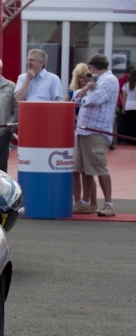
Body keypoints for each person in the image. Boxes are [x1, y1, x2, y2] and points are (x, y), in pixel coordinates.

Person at [72, 54, 119, 216]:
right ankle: (85, 203)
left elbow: (93, 100)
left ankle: (108, 204)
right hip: (85, 130)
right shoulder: (99, 81)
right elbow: (75, 97)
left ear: (93, 67)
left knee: (99, 167)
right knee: (85, 168)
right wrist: (84, 92)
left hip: (97, 131)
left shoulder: (109, 80)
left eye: (89, 71)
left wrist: (84, 95)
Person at [67, 63, 97, 211]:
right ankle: (78, 201)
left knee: (88, 169)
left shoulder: (94, 91)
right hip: (73, 132)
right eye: (82, 75)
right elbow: (63, 111)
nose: (86, 78)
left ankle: (92, 202)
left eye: (89, 75)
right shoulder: (72, 93)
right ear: (76, 78)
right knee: (75, 170)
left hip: (88, 132)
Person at [120, 68, 136, 143]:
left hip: (128, 105)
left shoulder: (126, 84)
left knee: (129, 123)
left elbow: (124, 97)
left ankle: (128, 139)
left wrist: (123, 107)